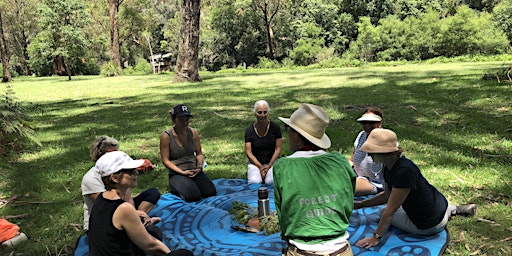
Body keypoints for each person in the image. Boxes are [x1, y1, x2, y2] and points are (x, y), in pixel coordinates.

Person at [354, 128, 477, 249]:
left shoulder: (404, 172)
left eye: (372, 151)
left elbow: (389, 211)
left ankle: (450, 212)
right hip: (440, 205)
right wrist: (360, 204)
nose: (369, 155)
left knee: (383, 212)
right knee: (394, 207)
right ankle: (454, 209)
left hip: (428, 225)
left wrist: (376, 237)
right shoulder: (390, 166)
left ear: (384, 153)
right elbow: (387, 195)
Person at [273, 103, 356, 256]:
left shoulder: (282, 167)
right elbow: (348, 201)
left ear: (297, 135)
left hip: (302, 250)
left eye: (289, 130)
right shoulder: (340, 161)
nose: (287, 135)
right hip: (341, 250)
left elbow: (283, 212)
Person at [88, 151, 193, 256]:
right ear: (114, 178)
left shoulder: (102, 197)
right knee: (184, 254)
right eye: (131, 171)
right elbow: (151, 246)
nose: (136, 173)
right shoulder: (124, 208)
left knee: (152, 231)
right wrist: (171, 254)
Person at [81, 135, 161, 231]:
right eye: (111, 153)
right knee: (153, 233)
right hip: (104, 219)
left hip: (121, 209)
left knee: (153, 193)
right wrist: (135, 219)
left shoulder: (121, 174)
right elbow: (108, 207)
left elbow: (128, 199)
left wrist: (136, 215)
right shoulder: (90, 179)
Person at [160, 103, 216, 202]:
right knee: (193, 196)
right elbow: (165, 160)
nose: (185, 122)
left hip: (194, 170)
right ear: (174, 119)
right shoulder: (166, 136)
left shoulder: (193, 132)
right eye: (181, 120)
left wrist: (199, 168)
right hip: (177, 172)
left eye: (187, 119)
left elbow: (199, 154)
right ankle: (178, 188)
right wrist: (182, 172)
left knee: (210, 192)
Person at [245, 100, 282, 184]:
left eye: (265, 112)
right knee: (255, 182)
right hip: (255, 163)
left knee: (271, 181)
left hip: (272, 162)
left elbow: (278, 148)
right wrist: (260, 167)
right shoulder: (249, 130)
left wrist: (269, 165)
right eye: (259, 112)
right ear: (255, 113)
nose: (262, 115)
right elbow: (248, 151)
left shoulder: (275, 128)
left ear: (268, 113)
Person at [350, 107, 385, 196]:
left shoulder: (386, 139)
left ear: (380, 123)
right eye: (364, 122)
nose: (367, 125)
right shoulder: (361, 135)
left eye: (371, 123)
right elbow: (352, 159)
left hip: (374, 183)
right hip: (357, 176)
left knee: (345, 188)